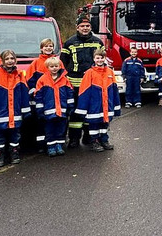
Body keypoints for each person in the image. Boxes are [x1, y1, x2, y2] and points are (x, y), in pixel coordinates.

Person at [60, 14, 104, 148]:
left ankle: (88, 137)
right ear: (77, 27)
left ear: (91, 27)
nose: (85, 28)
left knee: (91, 112)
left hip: (93, 84)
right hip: (75, 83)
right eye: (82, 26)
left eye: (87, 26)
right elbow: (63, 63)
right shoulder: (69, 43)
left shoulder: (98, 42)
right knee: (75, 113)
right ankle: (74, 139)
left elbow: (103, 62)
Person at [75, 49, 121, 152]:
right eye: (97, 58)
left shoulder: (110, 72)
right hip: (94, 106)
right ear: (94, 59)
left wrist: (116, 105)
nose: (100, 60)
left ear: (105, 58)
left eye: (102, 58)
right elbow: (84, 91)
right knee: (94, 124)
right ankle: (94, 142)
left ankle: (104, 140)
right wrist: (82, 108)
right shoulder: (89, 73)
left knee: (105, 124)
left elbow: (114, 89)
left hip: (107, 105)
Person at [26, 38, 63, 151]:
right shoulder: (36, 63)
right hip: (41, 99)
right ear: (41, 48)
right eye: (46, 46)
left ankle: (55, 144)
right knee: (41, 123)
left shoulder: (58, 61)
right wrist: (35, 94)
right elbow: (29, 80)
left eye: (50, 46)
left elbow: (63, 78)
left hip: (55, 99)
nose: (48, 48)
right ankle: (42, 145)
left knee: (56, 122)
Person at [34, 57, 74, 157]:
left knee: (61, 129)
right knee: (49, 130)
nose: (54, 68)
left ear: (60, 66)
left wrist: (70, 107)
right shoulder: (42, 80)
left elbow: (70, 94)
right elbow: (38, 96)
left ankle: (59, 145)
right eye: (52, 66)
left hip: (62, 111)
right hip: (48, 112)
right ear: (47, 67)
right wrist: (40, 110)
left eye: (56, 66)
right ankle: (51, 147)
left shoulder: (65, 80)